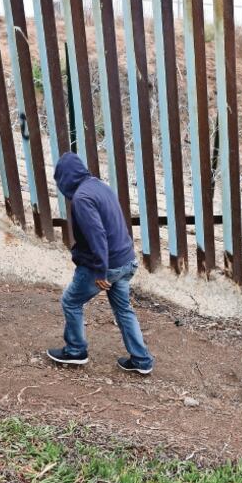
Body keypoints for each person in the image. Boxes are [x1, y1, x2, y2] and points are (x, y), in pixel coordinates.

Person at [47, 152, 154, 375]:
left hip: (108, 265)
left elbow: (98, 236)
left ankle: (75, 351)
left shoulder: (82, 199)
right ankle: (142, 360)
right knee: (123, 309)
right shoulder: (99, 186)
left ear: (66, 178)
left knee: (70, 301)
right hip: (126, 260)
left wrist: (100, 271)